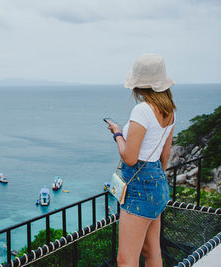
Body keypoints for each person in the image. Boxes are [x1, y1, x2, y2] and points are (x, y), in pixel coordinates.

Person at [105, 53, 176, 267]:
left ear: (138, 85)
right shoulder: (169, 111)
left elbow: (129, 157)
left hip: (139, 188)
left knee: (126, 260)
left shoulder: (143, 110)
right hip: (157, 183)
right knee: (151, 251)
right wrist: (154, 178)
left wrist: (117, 133)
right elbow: (165, 155)